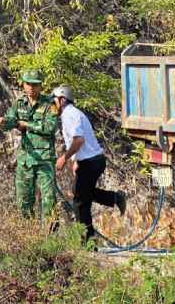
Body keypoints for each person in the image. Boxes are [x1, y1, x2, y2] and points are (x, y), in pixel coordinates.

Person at [53, 85, 127, 241]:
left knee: (80, 202)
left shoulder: (69, 115)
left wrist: (64, 158)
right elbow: (78, 140)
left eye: (54, 101)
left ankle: (86, 241)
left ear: (62, 100)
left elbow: (78, 140)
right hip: (91, 161)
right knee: (82, 194)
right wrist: (75, 161)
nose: (53, 105)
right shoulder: (71, 113)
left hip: (91, 162)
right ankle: (115, 198)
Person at [0, 69, 60, 218]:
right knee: (24, 200)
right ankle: (29, 234)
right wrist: (4, 122)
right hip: (25, 159)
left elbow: (49, 128)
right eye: (28, 84)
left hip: (44, 160)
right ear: (23, 85)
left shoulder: (51, 104)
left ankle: (51, 236)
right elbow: (11, 121)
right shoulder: (19, 103)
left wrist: (26, 124)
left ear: (41, 86)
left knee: (49, 200)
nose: (31, 87)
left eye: (35, 84)